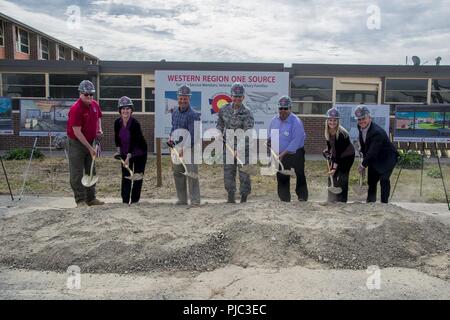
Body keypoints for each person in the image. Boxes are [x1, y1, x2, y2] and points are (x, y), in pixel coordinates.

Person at [67, 80, 104, 207]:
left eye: (91, 94)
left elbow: (98, 118)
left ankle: (91, 198)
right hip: (77, 143)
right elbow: (76, 131)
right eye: (86, 94)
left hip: (91, 141)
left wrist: (99, 130)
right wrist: (89, 148)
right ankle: (80, 200)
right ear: (80, 93)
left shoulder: (95, 105)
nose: (89, 97)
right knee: (77, 172)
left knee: (91, 170)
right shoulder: (76, 109)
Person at [216, 82, 255, 203]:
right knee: (228, 172)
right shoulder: (224, 109)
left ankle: (244, 198)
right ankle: (231, 197)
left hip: (243, 148)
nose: (237, 98)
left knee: (244, 174)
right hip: (228, 147)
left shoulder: (247, 112)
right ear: (231, 96)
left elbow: (247, 132)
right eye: (235, 96)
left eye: (240, 96)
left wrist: (240, 148)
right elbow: (220, 124)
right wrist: (218, 132)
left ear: (243, 97)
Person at [355, 105, 399, 203]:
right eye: (359, 119)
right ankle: (370, 202)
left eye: (364, 118)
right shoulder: (360, 126)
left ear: (370, 118)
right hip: (374, 158)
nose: (361, 121)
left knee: (384, 179)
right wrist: (362, 157)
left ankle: (384, 204)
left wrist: (363, 165)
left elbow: (372, 152)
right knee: (372, 181)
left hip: (387, 157)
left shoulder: (377, 132)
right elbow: (365, 146)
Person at [268, 95, 308, 202]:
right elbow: (271, 137)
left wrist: (282, 154)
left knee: (299, 174)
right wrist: (273, 153)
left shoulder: (296, 122)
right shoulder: (274, 121)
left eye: (286, 108)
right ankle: (284, 198)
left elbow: (295, 141)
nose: (283, 111)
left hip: (296, 152)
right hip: (281, 153)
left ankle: (302, 196)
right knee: (281, 175)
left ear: (290, 108)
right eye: (281, 108)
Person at [169, 84, 201, 206]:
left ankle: (195, 200)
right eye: (181, 98)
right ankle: (182, 199)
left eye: (185, 98)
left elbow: (194, 135)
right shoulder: (175, 112)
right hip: (177, 148)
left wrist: (184, 148)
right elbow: (173, 127)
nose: (182, 100)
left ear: (189, 98)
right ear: (178, 98)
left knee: (192, 174)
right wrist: (171, 139)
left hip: (191, 148)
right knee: (178, 173)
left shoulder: (194, 114)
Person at [114, 96, 148, 204]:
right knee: (126, 176)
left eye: (127, 108)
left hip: (139, 153)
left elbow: (135, 141)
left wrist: (129, 156)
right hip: (125, 152)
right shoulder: (117, 123)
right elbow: (117, 138)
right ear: (120, 110)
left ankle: (134, 201)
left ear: (131, 110)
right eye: (123, 108)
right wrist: (118, 152)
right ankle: (125, 201)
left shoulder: (135, 124)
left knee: (137, 177)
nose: (125, 111)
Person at [322, 107, 355, 203]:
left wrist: (334, 168)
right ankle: (331, 199)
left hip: (347, 156)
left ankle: (342, 200)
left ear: (338, 121)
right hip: (337, 154)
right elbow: (330, 146)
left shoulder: (341, 134)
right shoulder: (327, 131)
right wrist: (326, 151)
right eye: (330, 120)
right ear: (327, 121)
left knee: (342, 177)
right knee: (331, 177)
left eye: (335, 120)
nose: (332, 122)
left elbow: (339, 154)